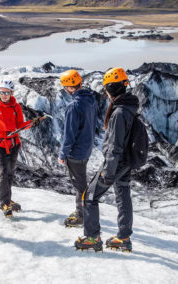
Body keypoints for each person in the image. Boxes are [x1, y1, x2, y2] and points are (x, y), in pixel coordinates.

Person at [74, 68, 139, 252]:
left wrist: (108, 173)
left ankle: (93, 238)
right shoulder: (129, 107)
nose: (105, 93)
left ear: (111, 89)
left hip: (116, 163)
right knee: (123, 195)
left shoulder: (118, 113)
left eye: (106, 89)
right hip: (125, 162)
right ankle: (124, 238)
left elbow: (115, 146)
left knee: (89, 197)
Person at [0, 80, 42, 218]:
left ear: (11, 93)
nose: (4, 95)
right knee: (3, 173)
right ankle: (4, 202)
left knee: (9, 174)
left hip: (13, 144)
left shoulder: (15, 107)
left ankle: (8, 199)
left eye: (7, 92)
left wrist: (32, 123)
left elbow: (19, 125)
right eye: (2, 92)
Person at [59, 70, 98, 227]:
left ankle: (82, 216)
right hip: (87, 148)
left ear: (69, 88)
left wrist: (63, 153)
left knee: (79, 185)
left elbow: (69, 135)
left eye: (65, 87)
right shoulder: (91, 100)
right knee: (81, 183)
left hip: (76, 152)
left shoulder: (73, 106)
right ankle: (83, 212)